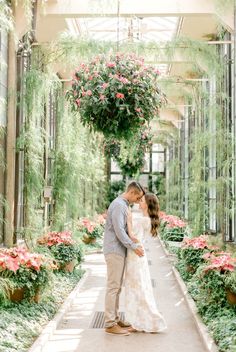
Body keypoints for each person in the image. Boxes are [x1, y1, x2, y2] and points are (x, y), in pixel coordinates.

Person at [103, 181, 145, 336]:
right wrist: (133, 246)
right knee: (113, 287)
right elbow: (119, 231)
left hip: (118, 250)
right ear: (132, 192)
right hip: (114, 250)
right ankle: (109, 323)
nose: (138, 201)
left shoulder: (122, 204)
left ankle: (115, 318)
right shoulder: (120, 205)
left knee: (117, 287)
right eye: (138, 197)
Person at [125, 192, 167, 333]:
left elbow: (133, 237)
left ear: (147, 204)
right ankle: (137, 320)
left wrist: (129, 220)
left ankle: (140, 321)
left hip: (135, 255)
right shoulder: (145, 218)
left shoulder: (144, 219)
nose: (138, 201)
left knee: (137, 289)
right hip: (136, 255)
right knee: (137, 288)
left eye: (141, 200)